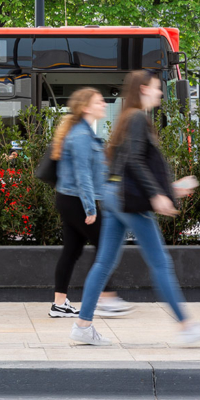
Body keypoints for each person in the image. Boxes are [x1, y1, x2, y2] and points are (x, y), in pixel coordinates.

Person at [69, 70, 200, 347]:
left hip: (114, 195)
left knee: (104, 263)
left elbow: (127, 165)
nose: (160, 92)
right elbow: (136, 162)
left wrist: (169, 190)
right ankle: (187, 326)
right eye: (156, 87)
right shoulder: (138, 118)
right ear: (143, 89)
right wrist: (156, 195)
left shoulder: (127, 118)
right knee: (160, 262)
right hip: (128, 200)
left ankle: (83, 325)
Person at [49, 87, 133, 319]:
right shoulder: (81, 136)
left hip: (71, 198)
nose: (103, 104)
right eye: (98, 102)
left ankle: (59, 304)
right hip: (77, 200)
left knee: (72, 251)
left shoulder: (84, 133)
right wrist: (90, 208)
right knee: (105, 246)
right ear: (85, 107)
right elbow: (83, 175)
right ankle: (106, 298)